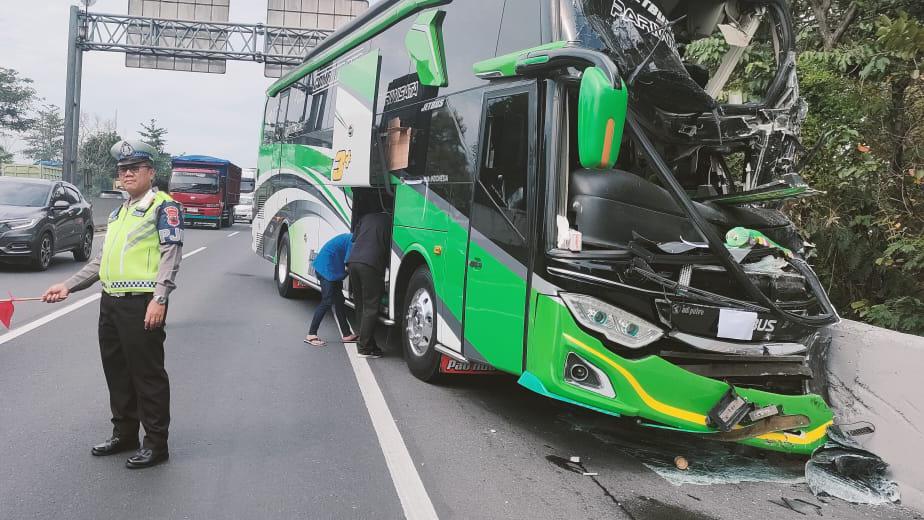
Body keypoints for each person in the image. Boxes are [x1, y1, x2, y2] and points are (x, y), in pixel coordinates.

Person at [42, 140, 183, 469]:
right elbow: (100, 263)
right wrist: (66, 285)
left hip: (142, 302)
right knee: (117, 372)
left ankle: (156, 443)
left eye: (134, 169)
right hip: (111, 303)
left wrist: (159, 298)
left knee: (147, 375)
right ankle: (124, 434)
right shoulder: (121, 211)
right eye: (122, 170)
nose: (127, 175)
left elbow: (170, 255)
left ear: (151, 172)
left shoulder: (164, 207)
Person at [347, 211, 391, 358]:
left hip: (353, 262)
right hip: (371, 264)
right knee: (371, 307)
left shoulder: (366, 216)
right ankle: (364, 348)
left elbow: (354, 238)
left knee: (360, 306)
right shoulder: (391, 221)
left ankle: (368, 343)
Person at [305, 233, 357, 346]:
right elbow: (349, 265)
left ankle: (347, 334)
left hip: (332, 269)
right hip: (326, 269)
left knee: (339, 301)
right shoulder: (353, 240)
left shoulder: (353, 237)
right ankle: (311, 335)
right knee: (327, 301)